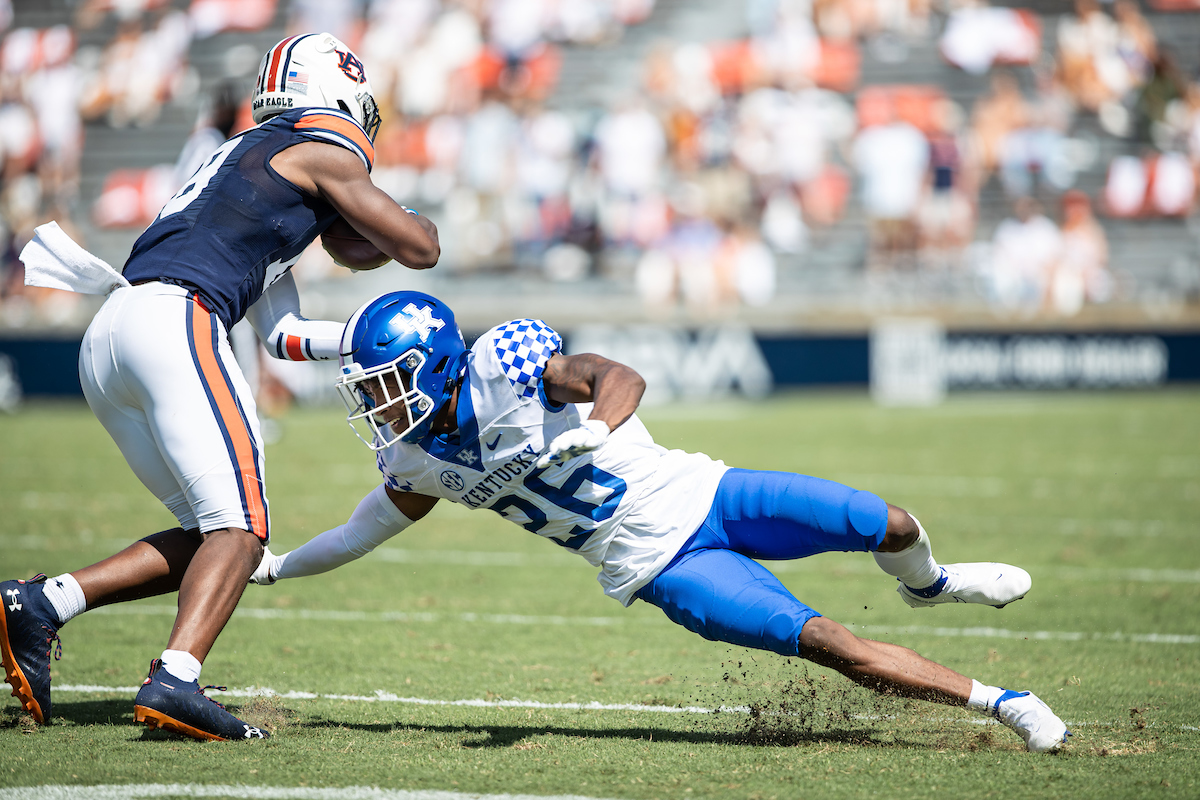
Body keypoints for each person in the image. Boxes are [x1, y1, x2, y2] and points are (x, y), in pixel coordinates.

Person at [249, 290, 1071, 754]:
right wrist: (280, 565)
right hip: (659, 565)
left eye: (387, 384)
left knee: (888, 523)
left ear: (431, 365)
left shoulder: (508, 366)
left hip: (708, 491)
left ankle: (928, 586)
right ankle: (1003, 702)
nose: (379, 403)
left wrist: (594, 428)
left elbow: (619, 374)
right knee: (829, 644)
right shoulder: (419, 461)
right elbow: (362, 531)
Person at [0, 33, 440, 742]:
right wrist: (418, 223)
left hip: (115, 331)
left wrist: (367, 339)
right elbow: (419, 249)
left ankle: (42, 604)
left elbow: (283, 336)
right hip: (175, 320)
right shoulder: (321, 142)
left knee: (212, 534)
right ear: (335, 90)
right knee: (242, 530)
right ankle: (176, 679)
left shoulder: (255, 164)